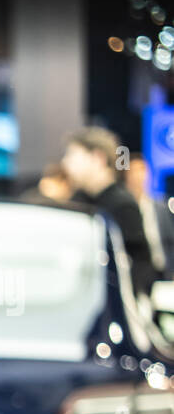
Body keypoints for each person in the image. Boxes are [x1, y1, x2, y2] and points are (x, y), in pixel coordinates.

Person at [60, 127, 159, 296]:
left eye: (73, 155)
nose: (65, 163)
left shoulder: (122, 205)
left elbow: (141, 265)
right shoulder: (77, 200)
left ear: (97, 158)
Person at [124, 155, 174, 280]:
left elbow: (170, 239)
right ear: (127, 177)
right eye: (134, 172)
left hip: (164, 270)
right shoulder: (124, 208)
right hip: (138, 272)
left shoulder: (161, 206)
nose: (139, 177)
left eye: (142, 172)